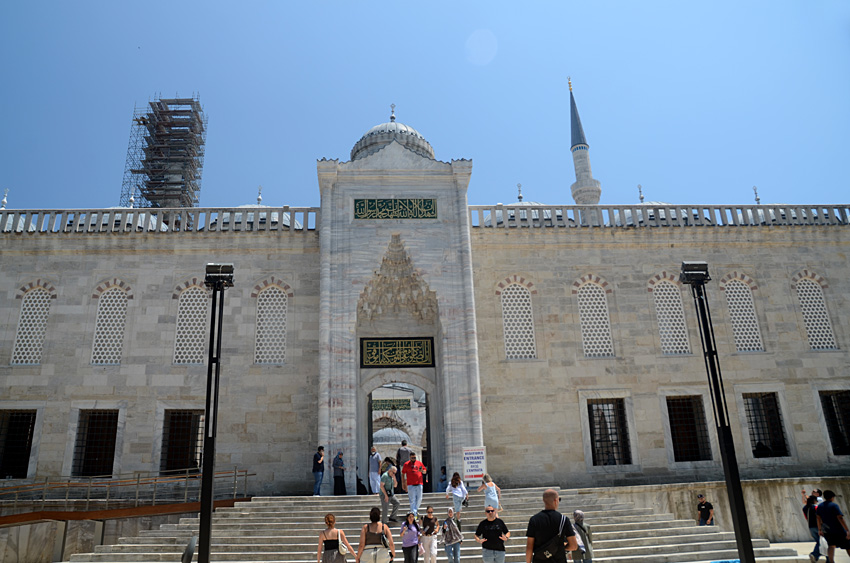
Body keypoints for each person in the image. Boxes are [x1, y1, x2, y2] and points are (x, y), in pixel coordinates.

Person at [525, 489, 578, 563]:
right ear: (556, 500)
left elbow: (529, 547)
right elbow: (574, 546)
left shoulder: (534, 520)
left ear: (544, 501)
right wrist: (560, 548)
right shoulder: (564, 519)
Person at [817, 490, 850, 563]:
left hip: (827, 530)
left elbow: (818, 518)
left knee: (831, 545)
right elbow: (840, 517)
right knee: (848, 545)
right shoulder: (834, 505)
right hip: (839, 530)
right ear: (832, 497)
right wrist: (847, 530)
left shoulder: (820, 506)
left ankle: (831, 561)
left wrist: (820, 529)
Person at [402, 452, 427, 517]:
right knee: (412, 500)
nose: (414, 459)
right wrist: (403, 483)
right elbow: (403, 474)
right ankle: (414, 514)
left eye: (415, 457)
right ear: (410, 457)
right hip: (410, 485)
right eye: (412, 457)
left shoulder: (419, 463)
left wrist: (422, 471)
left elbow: (425, 471)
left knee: (419, 499)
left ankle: (414, 511)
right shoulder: (406, 464)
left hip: (419, 484)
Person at [803, 494, 821, 562]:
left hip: (811, 527)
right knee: (822, 542)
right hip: (818, 527)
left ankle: (817, 556)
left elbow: (806, 518)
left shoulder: (805, 508)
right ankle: (815, 554)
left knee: (819, 542)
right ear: (814, 501)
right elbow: (819, 517)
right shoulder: (816, 507)